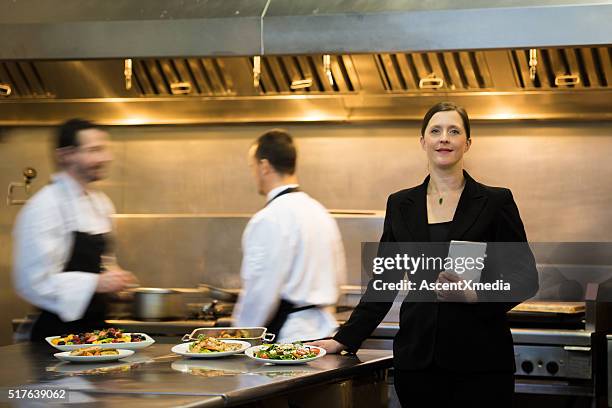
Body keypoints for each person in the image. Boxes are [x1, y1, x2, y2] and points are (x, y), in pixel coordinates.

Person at [310, 102, 539, 407]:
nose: (444, 138)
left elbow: (525, 278)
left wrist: (475, 295)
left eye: (454, 131)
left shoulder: (496, 202)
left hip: (481, 363)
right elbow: (385, 280)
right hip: (417, 366)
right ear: (423, 142)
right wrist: (344, 338)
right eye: (436, 131)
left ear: (467, 143)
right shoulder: (401, 205)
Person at [12, 119, 136, 341]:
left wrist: (115, 282)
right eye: (94, 150)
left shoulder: (100, 202)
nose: (105, 158)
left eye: (105, 149)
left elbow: (102, 262)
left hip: (94, 330)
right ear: (66, 155)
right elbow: (31, 282)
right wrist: (96, 283)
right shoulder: (45, 206)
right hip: (57, 337)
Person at [232, 129, 346, 343]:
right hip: (325, 334)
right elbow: (339, 278)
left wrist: (239, 337)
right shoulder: (319, 211)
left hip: (289, 340)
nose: (253, 173)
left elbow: (260, 292)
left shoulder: (268, 218)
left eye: (252, 166)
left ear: (264, 166)